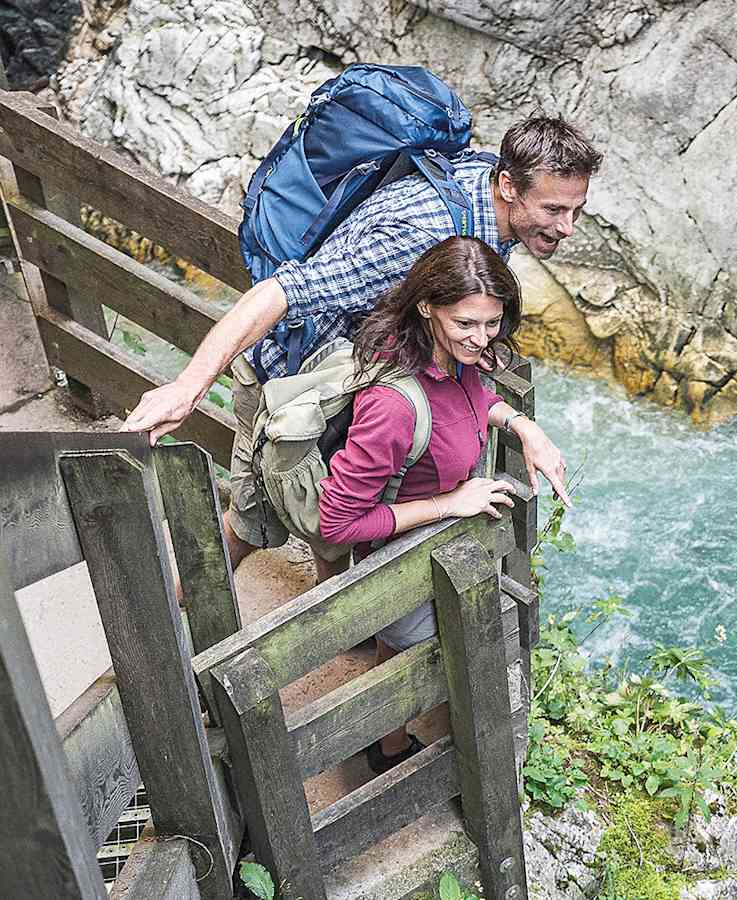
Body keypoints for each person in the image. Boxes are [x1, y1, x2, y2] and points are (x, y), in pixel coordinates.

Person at [122, 114, 600, 578]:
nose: (567, 228)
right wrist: (187, 389)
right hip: (293, 376)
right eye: (554, 210)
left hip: (358, 374)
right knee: (254, 521)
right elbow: (280, 292)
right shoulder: (418, 233)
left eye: (575, 210)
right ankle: (174, 603)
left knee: (334, 525)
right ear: (509, 186)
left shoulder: (494, 204)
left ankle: (337, 618)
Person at [320, 235, 526, 771]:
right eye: (466, 324)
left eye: (491, 323)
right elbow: (339, 523)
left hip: (428, 551)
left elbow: (472, 396)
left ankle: (386, 742)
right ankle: (419, 749)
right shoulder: (392, 406)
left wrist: (522, 425)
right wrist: (450, 502)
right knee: (463, 641)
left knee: (406, 648)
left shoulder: (453, 355)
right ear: (427, 308)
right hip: (398, 562)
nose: (482, 340)